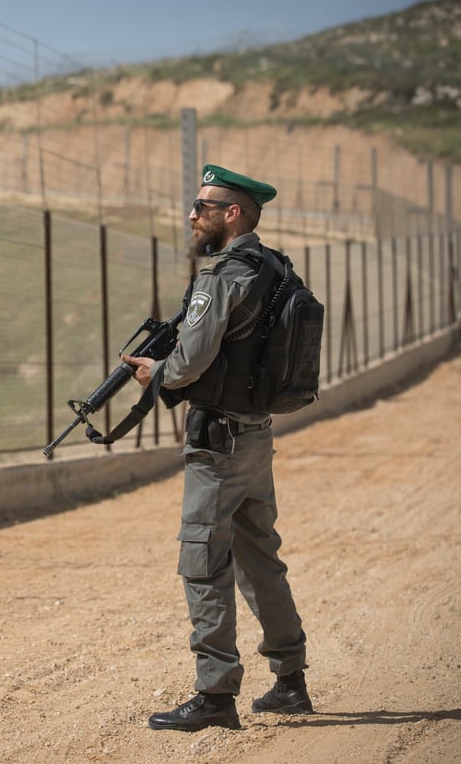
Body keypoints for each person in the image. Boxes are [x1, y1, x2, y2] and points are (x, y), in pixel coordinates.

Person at [121, 164, 313, 732]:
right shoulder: (275, 267)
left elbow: (189, 365)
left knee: (203, 562)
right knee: (260, 559)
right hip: (255, 435)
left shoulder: (222, 276)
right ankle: (290, 680)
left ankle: (215, 696)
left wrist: (156, 370)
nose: (192, 214)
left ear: (233, 214)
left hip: (218, 443)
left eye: (202, 206)